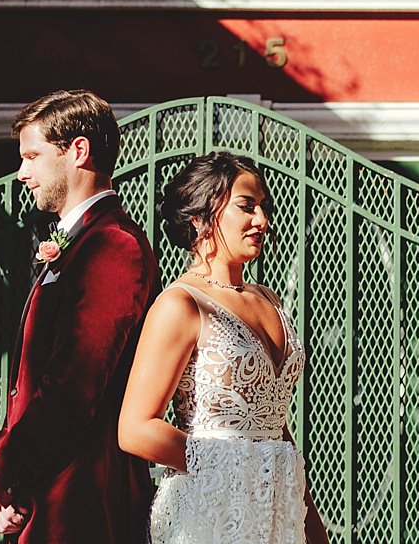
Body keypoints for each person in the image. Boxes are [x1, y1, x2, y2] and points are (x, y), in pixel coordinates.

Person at [0, 89, 162, 541]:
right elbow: (31, 383)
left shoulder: (115, 246)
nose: (22, 173)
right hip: (45, 495)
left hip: (83, 505)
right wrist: (15, 491)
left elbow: (75, 386)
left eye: (33, 156)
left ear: (78, 150)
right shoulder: (82, 241)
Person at [118, 151, 330, 544]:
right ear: (200, 218)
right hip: (207, 511)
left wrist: (312, 526)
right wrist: (231, 464)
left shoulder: (269, 299)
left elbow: (272, 424)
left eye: (263, 207)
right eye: (246, 206)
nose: (262, 221)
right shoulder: (180, 304)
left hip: (276, 509)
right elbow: (134, 429)